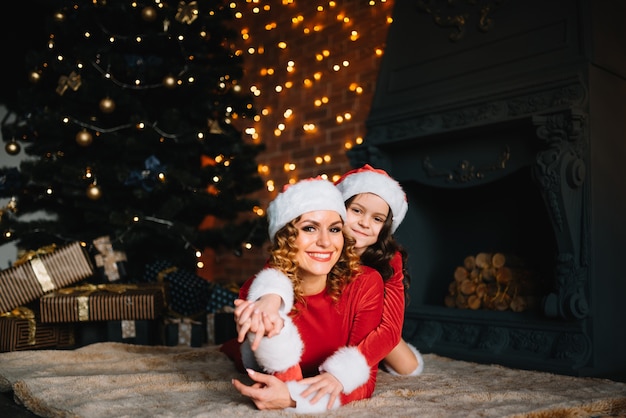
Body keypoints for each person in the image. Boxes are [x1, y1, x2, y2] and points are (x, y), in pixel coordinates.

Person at [221, 177, 385, 412]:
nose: (325, 241)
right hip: (247, 353)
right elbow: (282, 378)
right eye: (310, 228)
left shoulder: (365, 282)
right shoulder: (261, 292)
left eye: (335, 229)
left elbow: (364, 379)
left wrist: (293, 399)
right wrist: (268, 306)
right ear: (286, 239)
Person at [334, 164, 423, 376]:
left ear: (385, 227)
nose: (365, 223)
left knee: (408, 367)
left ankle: (370, 353)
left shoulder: (390, 259)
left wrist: (348, 370)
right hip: (329, 319)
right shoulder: (324, 242)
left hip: (373, 324)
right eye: (356, 210)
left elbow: (391, 326)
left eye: (377, 219)